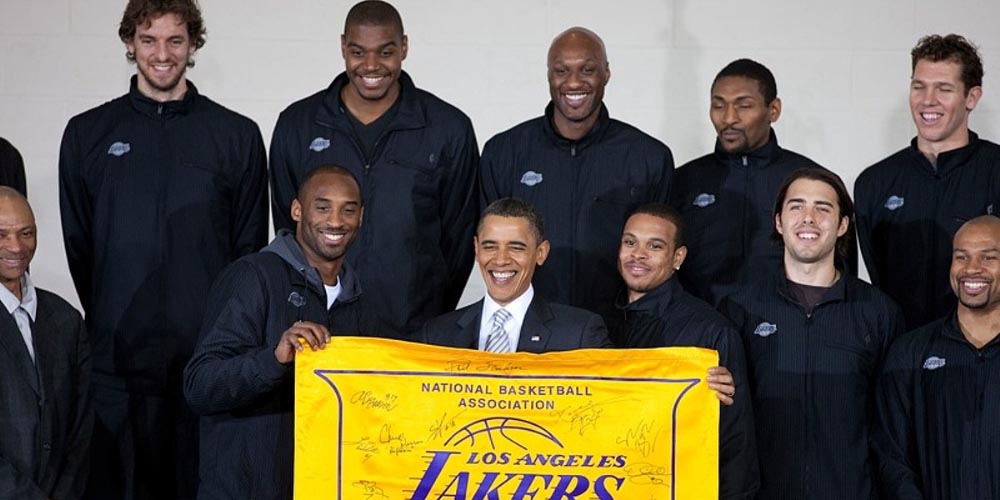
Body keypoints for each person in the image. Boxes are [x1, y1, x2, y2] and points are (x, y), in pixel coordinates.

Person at [58, 0, 269, 497]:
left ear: (193, 44)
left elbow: (247, 252)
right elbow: (80, 247)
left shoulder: (236, 136)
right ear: (129, 43)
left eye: (175, 40)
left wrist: (222, 344)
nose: (162, 54)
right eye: (148, 40)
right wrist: (113, 315)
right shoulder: (88, 134)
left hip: (205, 367)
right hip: (117, 367)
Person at [268, 0, 479, 338]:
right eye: (357, 52)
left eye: (385, 52)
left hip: (414, 333)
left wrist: (428, 316)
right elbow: (289, 228)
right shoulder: (298, 124)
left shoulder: (448, 129)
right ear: (342, 47)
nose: (370, 65)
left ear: (404, 47)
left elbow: (459, 239)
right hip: (321, 333)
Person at [185, 166, 380, 500]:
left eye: (348, 210)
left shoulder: (362, 301)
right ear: (297, 211)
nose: (336, 221)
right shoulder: (252, 276)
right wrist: (273, 360)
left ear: (361, 217)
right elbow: (199, 386)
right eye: (322, 207)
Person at [720, 168, 904, 500]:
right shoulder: (739, 308)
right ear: (778, 221)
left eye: (823, 208)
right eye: (797, 206)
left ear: (843, 225)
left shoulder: (879, 313)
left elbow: (893, 425)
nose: (809, 218)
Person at [479, 27, 673, 334]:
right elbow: (489, 248)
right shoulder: (503, 152)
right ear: (548, 75)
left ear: (607, 73)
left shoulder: (648, 157)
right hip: (527, 332)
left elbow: (662, 256)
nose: (573, 82)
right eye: (561, 71)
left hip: (620, 332)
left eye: (587, 70)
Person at [671, 58, 849, 306]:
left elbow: (842, 268)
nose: (729, 118)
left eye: (743, 106)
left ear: (773, 110)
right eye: (718, 106)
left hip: (789, 322)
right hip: (702, 324)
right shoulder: (683, 180)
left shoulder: (810, 181)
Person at [855, 34, 1000, 330]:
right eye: (918, 86)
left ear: (971, 98)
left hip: (987, 349)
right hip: (900, 348)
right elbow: (876, 278)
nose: (927, 100)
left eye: (944, 89)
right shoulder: (874, 183)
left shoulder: (995, 169)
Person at [615, 203, 759, 499]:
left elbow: (736, 443)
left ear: (678, 257)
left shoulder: (711, 332)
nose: (638, 254)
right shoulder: (598, 323)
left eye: (655, 246)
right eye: (630, 242)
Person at [873, 215, 1000, 499]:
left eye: (988, 257)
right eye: (961, 257)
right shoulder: (909, 353)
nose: (971, 268)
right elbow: (891, 454)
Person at [422, 198, 612, 351]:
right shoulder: (436, 336)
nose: (501, 260)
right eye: (490, 247)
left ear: (541, 253)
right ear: (477, 250)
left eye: (516, 248)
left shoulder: (580, 335)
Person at [0, 187, 91, 500]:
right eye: (2, 235)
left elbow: (81, 427)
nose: (16, 246)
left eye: (26, 233)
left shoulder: (66, 319)